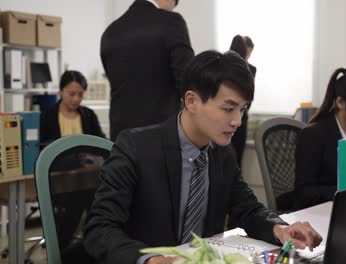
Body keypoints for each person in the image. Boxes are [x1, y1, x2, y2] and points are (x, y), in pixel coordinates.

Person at [83, 51, 322, 264]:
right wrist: (150, 259)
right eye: (228, 109)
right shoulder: (136, 147)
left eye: (242, 109)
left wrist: (279, 229)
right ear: (192, 101)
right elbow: (99, 228)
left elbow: (247, 209)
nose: (237, 121)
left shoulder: (221, 152)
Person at [101, 0, 194, 141]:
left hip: (121, 138)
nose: (172, 9)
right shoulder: (171, 21)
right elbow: (188, 80)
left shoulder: (110, 32)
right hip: (161, 137)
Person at [294, 68, 346, 210]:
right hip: (319, 212)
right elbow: (304, 193)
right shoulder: (314, 135)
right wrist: (344, 193)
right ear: (340, 102)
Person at [40, 70, 105, 145]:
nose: (76, 99)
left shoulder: (89, 116)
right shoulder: (46, 117)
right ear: (61, 91)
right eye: (71, 94)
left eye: (80, 94)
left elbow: (101, 143)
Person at [229, 34, 255, 165]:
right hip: (228, 118)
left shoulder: (251, 69)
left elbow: (249, 100)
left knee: (237, 160)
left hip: (242, 119)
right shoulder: (224, 65)